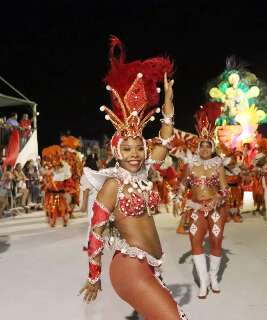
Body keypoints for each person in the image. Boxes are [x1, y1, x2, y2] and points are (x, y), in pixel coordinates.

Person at [78, 36, 187, 319]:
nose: (136, 153)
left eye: (139, 146)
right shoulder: (113, 184)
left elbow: (164, 141)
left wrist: (169, 102)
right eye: (127, 148)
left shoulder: (145, 172)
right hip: (129, 267)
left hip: (151, 265)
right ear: (116, 150)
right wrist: (93, 276)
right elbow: (96, 233)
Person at [181, 104, 228, 298]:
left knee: (216, 241)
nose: (206, 149)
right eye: (202, 145)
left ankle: (213, 276)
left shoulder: (218, 165)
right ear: (198, 147)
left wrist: (217, 198)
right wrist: (180, 196)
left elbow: (225, 189)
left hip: (216, 208)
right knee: (195, 242)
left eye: (209, 145)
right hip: (196, 209)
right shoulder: (190, 166)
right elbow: (182, 186)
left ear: (213, 148)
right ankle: (203, 282)